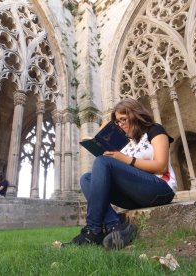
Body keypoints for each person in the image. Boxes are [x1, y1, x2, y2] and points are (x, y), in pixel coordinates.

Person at [65, 98, 177, 250]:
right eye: (117, 122)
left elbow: (161, 166)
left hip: (160, 189)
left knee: (103, 161)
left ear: (135, 115)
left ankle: (93, 231)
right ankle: (115, 227)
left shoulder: (155, 130)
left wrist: (124, 159)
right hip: (134, 196)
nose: (121, 124)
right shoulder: (124, 142)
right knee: (86, 178)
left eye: (123, 119)